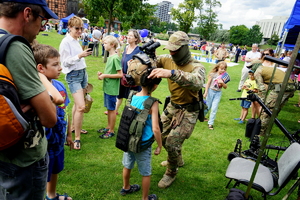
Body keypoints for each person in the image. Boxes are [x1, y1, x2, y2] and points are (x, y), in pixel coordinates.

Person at [0, 1, 58, 199]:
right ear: (27, 14)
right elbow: (50, 118)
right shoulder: (15, 47)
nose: (43, 27)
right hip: (22, 160)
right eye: (42, 19)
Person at [147, 31, 206, 188]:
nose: (172, 53)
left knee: (172, 142)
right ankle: (176, 158)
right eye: (170, 50)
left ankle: (171, 172)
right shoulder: (166, 59)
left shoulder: (196, 67)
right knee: (161, 134)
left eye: (176, 50)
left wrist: (172, 73)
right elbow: (151, 63)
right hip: (173, 106)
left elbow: (197, 82)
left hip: (189, 110)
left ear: (185, 48)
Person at [32, 43, 73, 200]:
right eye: (55, 65)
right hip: (44, 142)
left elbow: (65, 111)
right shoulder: (38, 90)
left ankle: (52, 195)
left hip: (59, 138)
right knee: (42, 173)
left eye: (59, 63)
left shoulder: (60, 86)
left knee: (55, 168)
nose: (60, 68)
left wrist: (69, 134)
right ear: (41, 68)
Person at [120, 70, 162, 200]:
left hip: (127, 139)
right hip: (142, 143)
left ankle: (126, 187)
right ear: (155, 86)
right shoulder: (152, 102)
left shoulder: (132, 96)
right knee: (146, 173)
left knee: (127, 165)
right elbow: (155, 128)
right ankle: (145, 198)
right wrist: (159, 145)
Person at [59, 16, 92, 150]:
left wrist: (82, 57)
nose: (79, 31)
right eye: (77, 28)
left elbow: (79, 60)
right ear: (70, 28)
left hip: (82, 73)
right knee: (81, 107)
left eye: (81, 28)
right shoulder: (65, 42)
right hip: (73, 75)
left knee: (79, 104)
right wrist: (79, 56)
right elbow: (64, 62)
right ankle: (76, 138)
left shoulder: (75, 40)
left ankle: (73, 127)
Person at [254, 48, 296, 136]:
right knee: (274, 112)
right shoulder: (268, 69)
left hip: (281, 88)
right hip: (291, 87)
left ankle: (260, 133)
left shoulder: (258, 71)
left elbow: (262, 88)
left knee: (267, 111)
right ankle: (267, 131)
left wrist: (262, 102)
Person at [97, 35, 123, 138]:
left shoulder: (115, 58)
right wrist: (102, 74)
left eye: (105, 43)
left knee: (112, 110)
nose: (103, 45)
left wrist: (105, 75)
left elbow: (120, 74)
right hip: (107, 87)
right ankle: (108, 127)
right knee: (109, 109)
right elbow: (110, 72)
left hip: (112, 89)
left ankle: (111, 131)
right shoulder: (110, 57)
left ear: (112, 45)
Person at [115, 29, 143, 115]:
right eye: (128, 35)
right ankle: (115, 111)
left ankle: (131, 114)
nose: (128, 37)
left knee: (132, 96)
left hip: (132, 77)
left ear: (136, 39)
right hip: (123, 75)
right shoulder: (126, 47)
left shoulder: (139, 50)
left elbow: (141, 64)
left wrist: (132, 64)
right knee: (119, 94)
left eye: (131, 36)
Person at [203, 61, 228, 130]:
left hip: (218, 93)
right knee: (207, 107)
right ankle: (202, 116)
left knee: (214, 108)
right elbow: (208, 84)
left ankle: (210, 123)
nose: (223, 70)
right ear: (218, 68)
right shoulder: (213, 74)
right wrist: (205, 92)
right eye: (221, 68)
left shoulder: (224, 76)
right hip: (211, 91)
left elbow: (225, 87)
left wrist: (222, 83)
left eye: (224, 69)